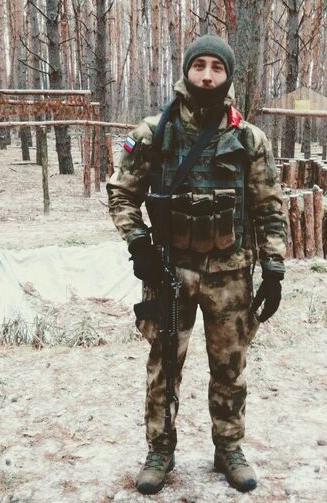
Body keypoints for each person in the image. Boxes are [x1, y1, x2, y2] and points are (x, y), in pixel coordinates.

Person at [107, 34, 286, 495]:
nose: (207, 76)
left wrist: (274, 268)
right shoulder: (153, 132)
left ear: (228, 75)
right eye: (199, 66)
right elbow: (121, 194)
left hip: (231, 274)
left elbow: (269, 207)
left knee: (230, 366)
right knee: (164, 365)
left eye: (216, 67)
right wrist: (139, 245)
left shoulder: (249, 138)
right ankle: (160, 450)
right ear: (187, 71)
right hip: (171, 271)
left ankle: (228, 447)